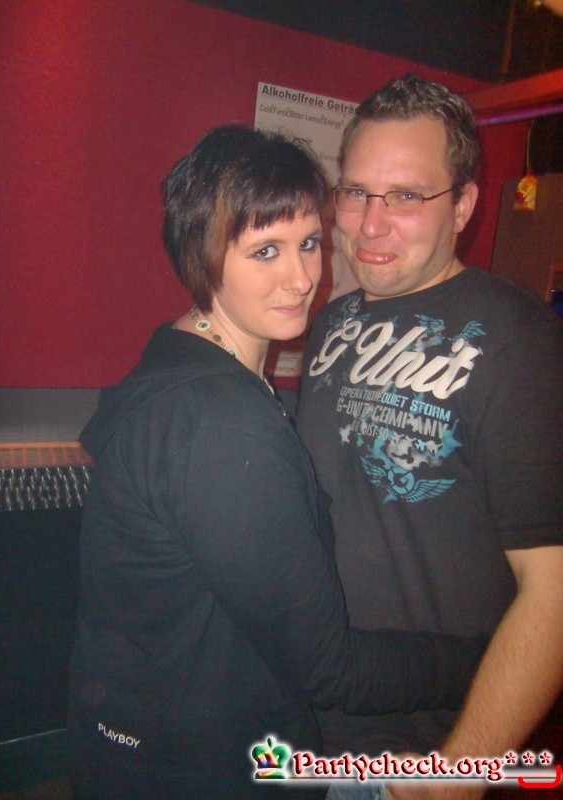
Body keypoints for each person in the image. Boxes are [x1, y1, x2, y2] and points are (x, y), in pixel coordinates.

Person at [66, 124, 487, 800]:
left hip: (141, 743)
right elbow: (329, 669)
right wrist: (482, 660)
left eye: (309, 243)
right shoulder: (220, 422)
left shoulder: (177, 357)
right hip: (202, 772)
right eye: (265, 250)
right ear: (202, 255)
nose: (302, 278)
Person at [296, 74, 563, 799]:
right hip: (303, 724)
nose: (369, 224)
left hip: (412, 752)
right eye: (356, 192)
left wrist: (460, 770)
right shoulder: (333, 319)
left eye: (407, 197)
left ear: (464, 206)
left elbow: (553, 591)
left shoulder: (519, 341)